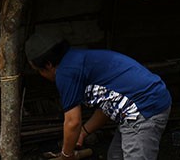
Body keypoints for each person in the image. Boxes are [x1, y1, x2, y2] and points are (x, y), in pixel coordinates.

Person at [25, 32, 172, 160]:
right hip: (140, 104)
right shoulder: (76, 59)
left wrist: (66, 155)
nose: (41, 75)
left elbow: (72, 122)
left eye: (39, 71)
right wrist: (84, 132)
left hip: (143, 108)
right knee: (115, 156)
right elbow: (108, 106)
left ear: (48, 65)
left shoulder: (65, 72)